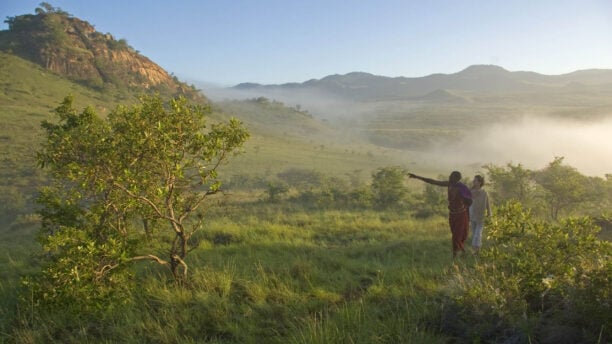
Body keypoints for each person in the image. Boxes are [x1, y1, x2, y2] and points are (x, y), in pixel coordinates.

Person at [408, 171, 472, 257]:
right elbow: (433, 181)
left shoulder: (462, 188)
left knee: (457, 236)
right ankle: (457, 253)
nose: (449, 177)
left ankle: (461, 253)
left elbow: (469, 201)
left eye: (451, 176)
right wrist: (417, 177)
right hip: (452, 214)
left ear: (456, 179)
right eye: (450, 176)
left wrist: (465, 205)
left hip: (461, 215)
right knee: (454, 234)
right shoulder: (449, 184)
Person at [469, 175, 491, 254]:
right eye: (473, 180)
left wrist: (489, 214)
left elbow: (487, 204)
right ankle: (477, 251)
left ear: (479, 182)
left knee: (477, 234)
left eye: (475, 180)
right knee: (475, 233)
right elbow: (467, 203)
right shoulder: (470, 192)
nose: (473, 182)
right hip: (472, 215)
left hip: (480, 216)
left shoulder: (484, 193)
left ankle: (475, 249)